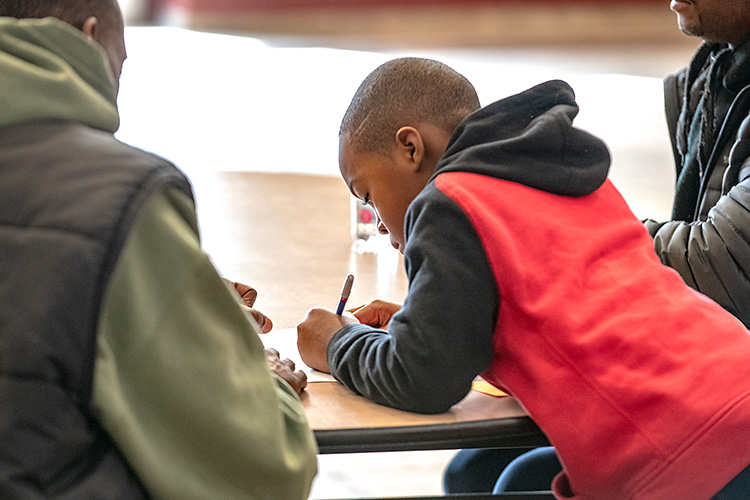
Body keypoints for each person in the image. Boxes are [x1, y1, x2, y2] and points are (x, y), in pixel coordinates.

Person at [296, 57, 750, 499]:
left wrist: (337, 345)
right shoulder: (553, 172)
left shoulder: (448, 201)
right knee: (493, 476)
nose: (377, 221)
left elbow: (425, 379)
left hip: (687, 446)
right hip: (731, 381)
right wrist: (425, 321)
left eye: (369, 195)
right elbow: (563, 302)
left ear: (411, 149)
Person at [0, 1, 317, 499]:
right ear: (88, 39)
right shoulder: (119, 194)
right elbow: (265, 471)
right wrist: (263, 375)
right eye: (120, 67)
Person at [445, 0, 750, 493]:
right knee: (477, 470)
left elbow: (715, 264)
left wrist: (546, 240)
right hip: (703, 368)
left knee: (505, 482)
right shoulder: (714, 75)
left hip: (725, 401)